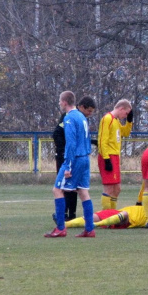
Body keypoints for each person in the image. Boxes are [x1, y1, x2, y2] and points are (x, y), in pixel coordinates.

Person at [45, 91, 95, 238]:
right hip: (85, 158)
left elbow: (71, 144)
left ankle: (61, 228)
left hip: (76, 159)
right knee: (83, 191)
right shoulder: (82, 116)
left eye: (60, 101)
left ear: (65, 102)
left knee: (57, 190)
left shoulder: (69, 118)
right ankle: (89, 229)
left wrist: (68, 165)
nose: (60, 104)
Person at [97, 99, 133, 210]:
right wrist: (106, 159)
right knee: (109, 188)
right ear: (121, 108)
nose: (125, 115)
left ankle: (112, 213)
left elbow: (125, 133)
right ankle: (106, 216)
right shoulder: (107, 119)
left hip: (115, 157)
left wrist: (129, 121)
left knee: (117, 189)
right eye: (126, 113)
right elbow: (102, 140)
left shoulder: (116, 121)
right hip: (108, 156)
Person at [65, 193, 148, 229]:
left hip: (129, 219)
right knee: (93, 216)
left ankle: (95, 225)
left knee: (125, 215)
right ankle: (64, 225)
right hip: (116, 213)